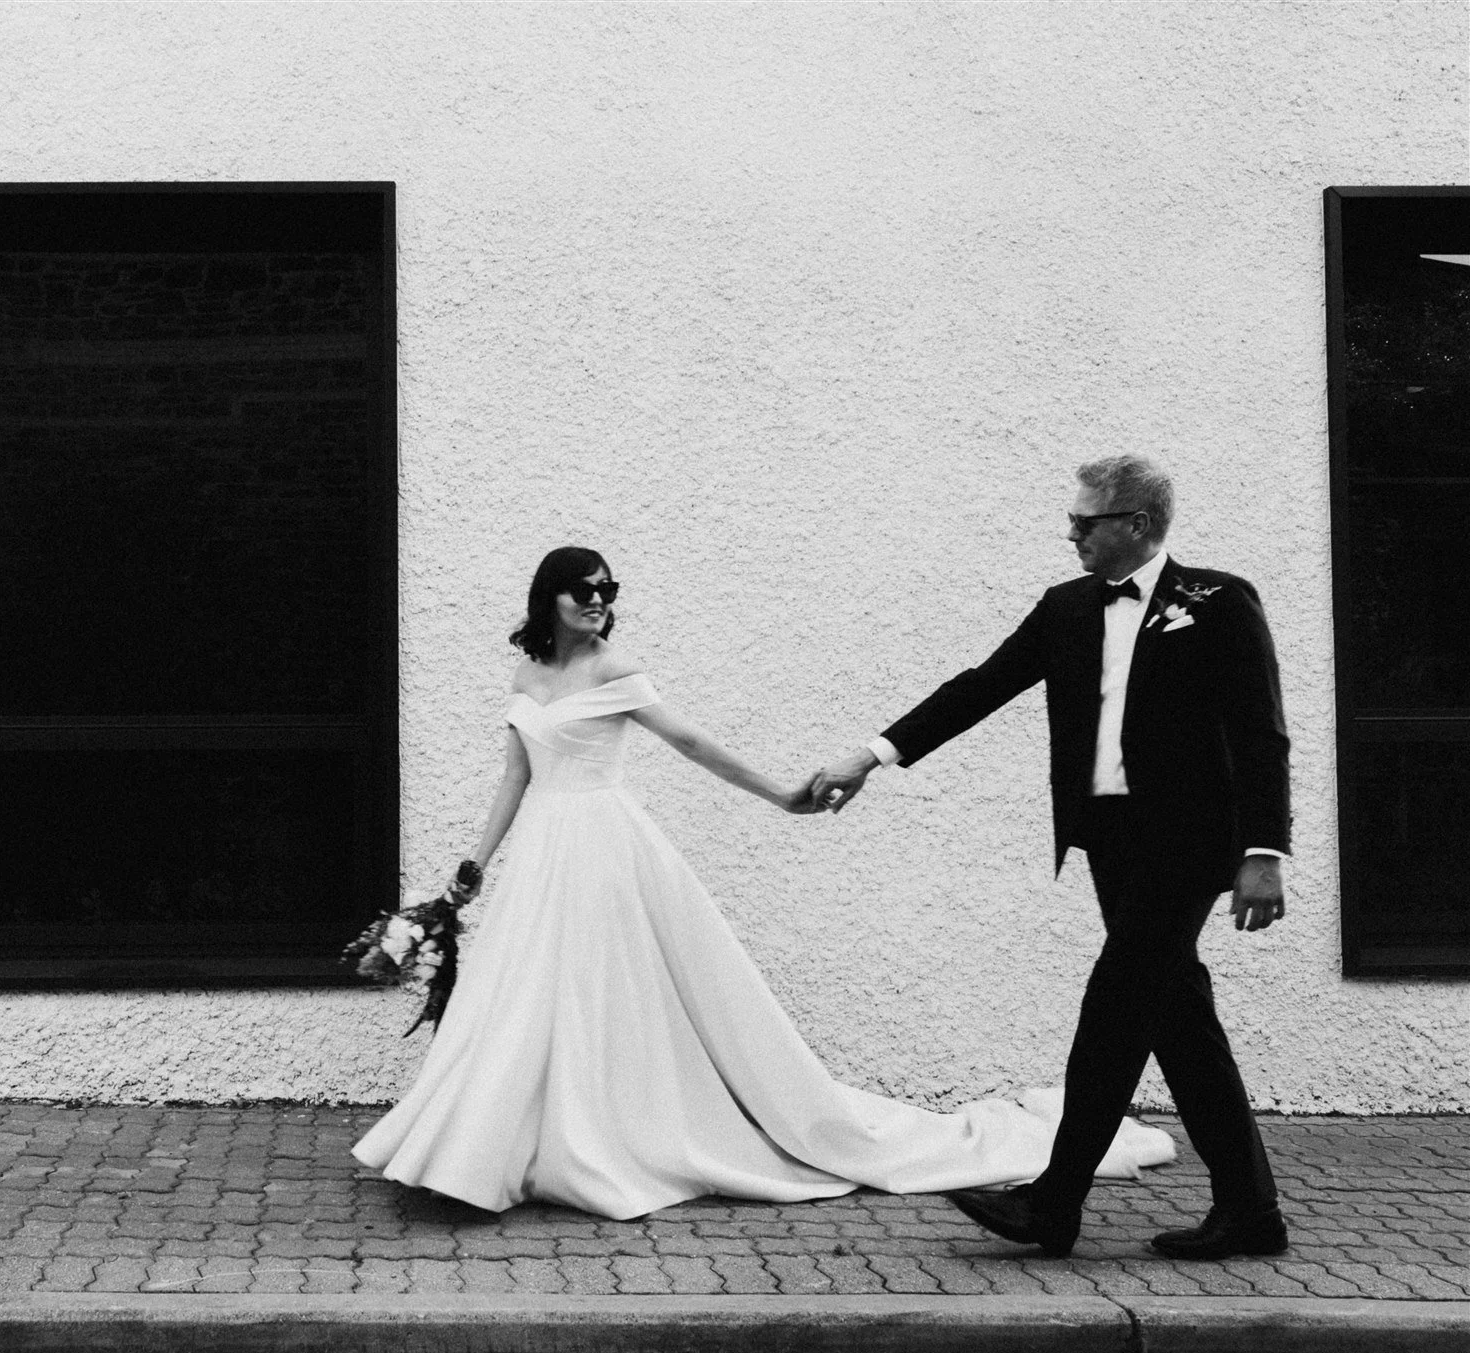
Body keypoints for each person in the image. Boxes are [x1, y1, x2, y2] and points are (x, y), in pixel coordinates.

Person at [353, 546, 1172, 1221]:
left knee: (593, 993)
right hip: (542, 851)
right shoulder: (529, 675)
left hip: (605, 846)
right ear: (549, 599)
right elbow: (514, 775)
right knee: (525, 992)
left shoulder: (615, 668)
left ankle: (589, 1140)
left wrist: (781, 793)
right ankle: (491, 1141)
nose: (601, 601)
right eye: (585, 591)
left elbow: (696, 746)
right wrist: (474, 865)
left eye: (610, 590)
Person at [808, 455, 1290, 1261]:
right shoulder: (1066, 608)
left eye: (1085, 521)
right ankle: (1250, 1209)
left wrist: (1264, 850)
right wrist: (873, 753)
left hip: (1189, 847)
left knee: (1113, 1006)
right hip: (1111, 845)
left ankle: (1054, 1201)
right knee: (1177, 1019)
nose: (1070, 532)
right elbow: (982, 685)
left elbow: (1260, 732)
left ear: (1135, 524)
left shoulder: (1217, 601)